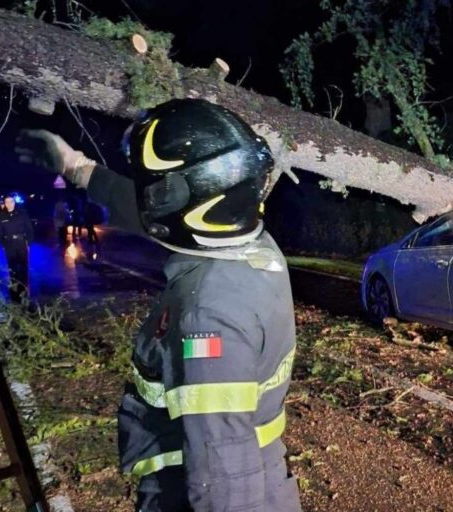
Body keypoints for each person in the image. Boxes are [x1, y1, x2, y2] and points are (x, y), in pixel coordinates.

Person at [16, 99, 301, 512]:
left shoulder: (208, 319)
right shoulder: (251, 242)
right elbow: (155, 211)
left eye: (159, 191)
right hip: (264, 473)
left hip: (185, 492)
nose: (149, 201)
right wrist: (75, 167)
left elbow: (225, 472)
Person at [0, 195, 34, 303]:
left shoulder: (22, 214)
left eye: (11, 201)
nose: (9, 204)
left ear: (14, 202)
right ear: (4, 203)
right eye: (7, 202)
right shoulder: (1, 216)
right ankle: (15, 293)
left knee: (23, 268)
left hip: (21, 244)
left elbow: (30, 229)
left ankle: (25, 291)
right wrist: (3, 246)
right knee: (12, 269)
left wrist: (29, 244)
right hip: (9, 245)